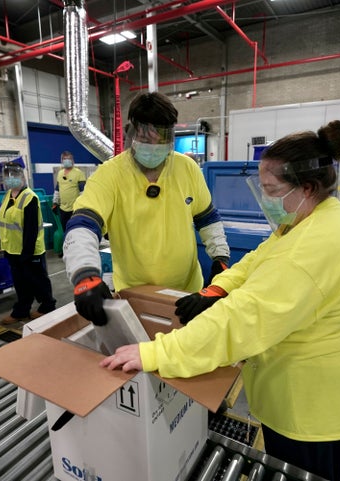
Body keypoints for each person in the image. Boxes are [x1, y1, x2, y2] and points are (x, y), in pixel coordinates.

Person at [100, 121, 340, 481]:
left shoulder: (312, 247)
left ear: (306, 187)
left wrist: (156, 353)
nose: (265, 198)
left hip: (308, 402)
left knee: (302, 472)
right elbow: (260, 259)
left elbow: (243, 319)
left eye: (271, 189)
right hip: (316, 384)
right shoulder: (317, 216)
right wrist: (218, 288)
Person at [63, 91, 230, 325]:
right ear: (131, 133)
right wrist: (85, 274)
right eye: (146, 137)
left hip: (186, 293)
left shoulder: (187, 168)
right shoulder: (109, 176)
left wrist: (220, 257)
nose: (154, 146)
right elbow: (83, 225)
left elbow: (207, 218)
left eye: (161, 138)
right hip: (135, 295)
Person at [0, 161, 56, 325]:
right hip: (12, 249)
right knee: (20, 283)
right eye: (7, 176)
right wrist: (7, 249)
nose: (11, 179)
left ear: (22, 177)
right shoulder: (7, 196)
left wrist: (27, 253)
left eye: (14, 176)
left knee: (38, 280)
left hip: (30, 250)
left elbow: (31, 229)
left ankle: (47, 306)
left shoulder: (30, 197)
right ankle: (21, 310)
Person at [52, 151, 86, 234]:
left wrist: (83, 207)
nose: (66, 160)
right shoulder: (60, 173)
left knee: (75, 231)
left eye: (69, 158)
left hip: (75, 209)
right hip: (63, 209)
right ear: (61, 161)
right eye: (64, 159)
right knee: (66, 231)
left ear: (73, 160)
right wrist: (55, 202)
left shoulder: (79, 173)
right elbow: (57, 189)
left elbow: (83, 191)